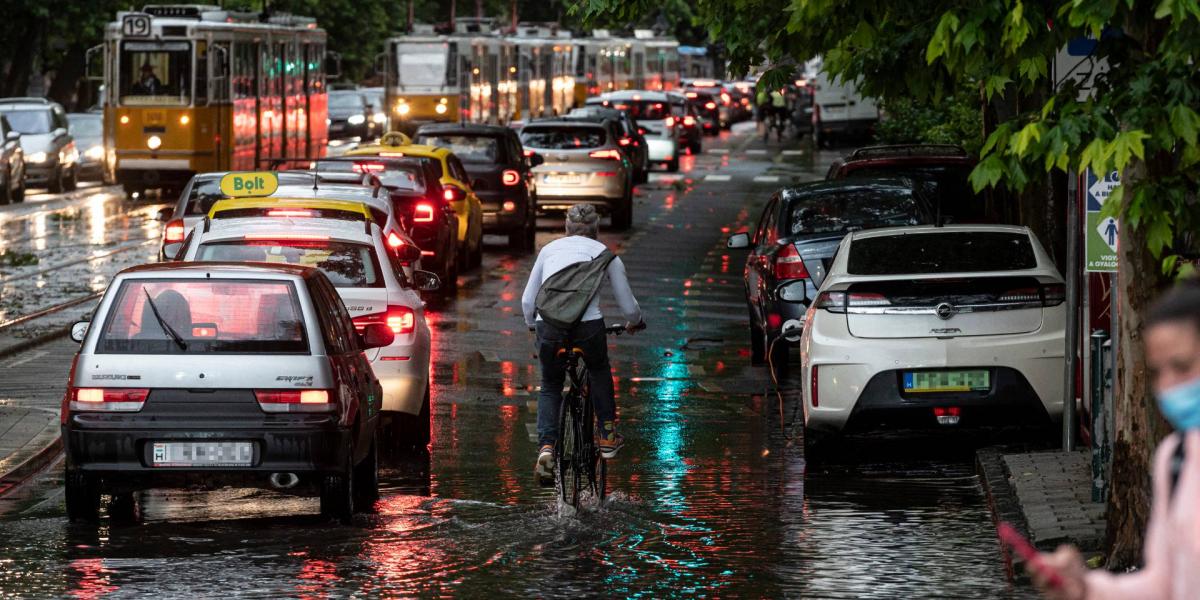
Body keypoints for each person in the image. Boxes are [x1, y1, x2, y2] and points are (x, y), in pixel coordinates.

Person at [1029, 279, 1200, 599]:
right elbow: (1164, 584)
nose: (1169, 387)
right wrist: (1086, 588)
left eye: (1182, 366)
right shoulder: (1175, 458)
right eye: (1157, 372)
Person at [522, 204, 643, 482]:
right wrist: (635, 321)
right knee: (598, 368)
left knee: (551, 384)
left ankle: (546, 448)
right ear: (596, 229)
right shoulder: (606, 256)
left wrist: (533, 323)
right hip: (589, 330)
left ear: (566, 227)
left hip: (549, 327)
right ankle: (608, 434)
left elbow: (528, 301)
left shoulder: (549, 251)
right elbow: (628, 307)